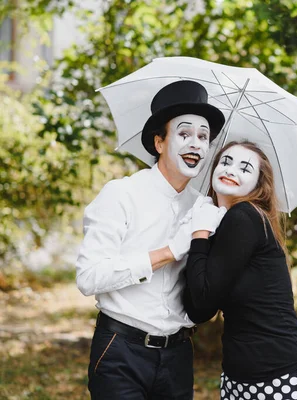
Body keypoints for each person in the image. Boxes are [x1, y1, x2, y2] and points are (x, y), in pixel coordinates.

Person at [75, 79, 226, 399]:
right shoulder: (121, 194)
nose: (196, 144)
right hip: (120, 352)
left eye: (204, 137)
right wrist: (169, 251)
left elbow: (205, 290)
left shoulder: (205, 208)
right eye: (184, 134)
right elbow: (89, 277)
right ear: (159, 142)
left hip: (178, 356)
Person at [182, 140, 297, 400]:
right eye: (225, 162)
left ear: (259, 185)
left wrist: (199, 233)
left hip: (282, 377)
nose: (231, 170)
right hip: (239, 378)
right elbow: (197, 309)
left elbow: (202, 300)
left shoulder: (245, 217)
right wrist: (203, 231)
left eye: (245, 168)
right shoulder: (222, 224)